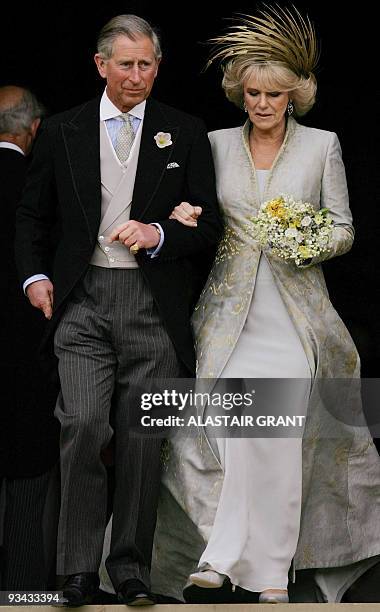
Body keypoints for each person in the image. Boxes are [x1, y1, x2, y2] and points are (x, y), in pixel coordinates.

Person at [152, 5, 380, 604]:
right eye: (252, 92)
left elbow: (345, 228)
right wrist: (184, 215)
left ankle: (262, 569)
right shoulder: (215, 143)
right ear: (240, 93)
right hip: (228, 315)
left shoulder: (322, 146)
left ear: (295, 96)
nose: (261, 103)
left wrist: (306, 241)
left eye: (274, 94)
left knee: (275, 435)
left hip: (296, 317)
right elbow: (194, 207)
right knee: (235, 431)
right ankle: (237, 561)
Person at [15, 15, 222, 607]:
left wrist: (158, 232)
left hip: (152, 305)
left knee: (139, 437)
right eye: (125, 64)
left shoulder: (184, 130)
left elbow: (207, 223)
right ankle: (77, 570)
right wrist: (33, 277)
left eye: (147, 64)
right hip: (82, 301)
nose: (137, 76)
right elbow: (32, 217)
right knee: (82, 425)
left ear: (159, 66)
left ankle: (128, 567)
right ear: (100, 65)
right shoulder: (62, 129)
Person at [0, 85, 60, 589]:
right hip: (28, 357)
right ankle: (22, 593)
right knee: (27, 481)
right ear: (34, 129)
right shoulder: (41, 186)